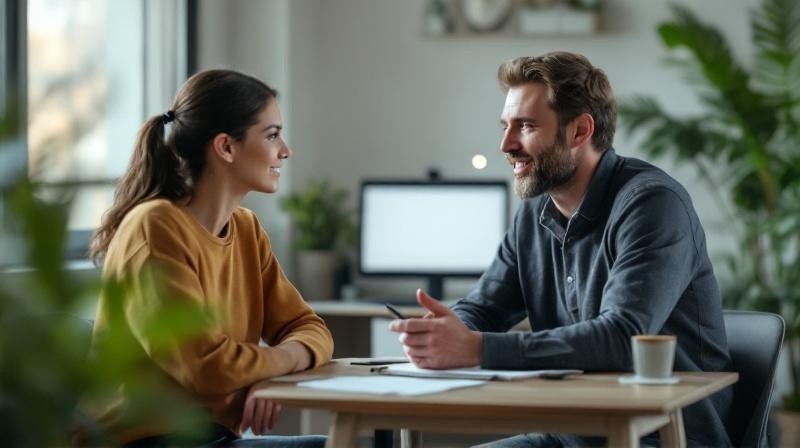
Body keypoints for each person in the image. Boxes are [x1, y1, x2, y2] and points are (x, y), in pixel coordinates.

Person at [389, 52, 733, 447]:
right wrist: (442, 332)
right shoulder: (534, 211)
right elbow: (486, 308)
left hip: (662, 437)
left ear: (580, 131)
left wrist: (477, 349)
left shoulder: (652, 204)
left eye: (526, 126)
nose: (506, 144)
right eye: (505, 126)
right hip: (570, 436)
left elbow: (622, 338)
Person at [83, 69, 333, 447]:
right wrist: (283, 360)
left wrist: (265, 371)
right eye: (272, 135)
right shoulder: (155, 227)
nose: (286, 150)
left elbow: (309, 326)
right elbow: (206, 368)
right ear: (226, 148)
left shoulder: (245, 228)